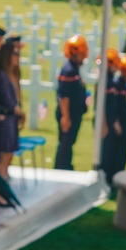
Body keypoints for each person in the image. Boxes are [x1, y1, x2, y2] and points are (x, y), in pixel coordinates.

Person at [0, 41, 24, 201]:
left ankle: (1, 191)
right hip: (5, 121)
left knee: (8, 156)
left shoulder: (13, 75)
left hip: (12, 120)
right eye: (15, 54)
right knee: (4, 157)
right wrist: (19, 112)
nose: (18, 58)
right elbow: (8, 101)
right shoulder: (1, 75)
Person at [101, 53, 126, 185]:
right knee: (111, 154)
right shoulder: (114, 84)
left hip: (123, 123)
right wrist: (115, 122)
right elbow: (112, 106)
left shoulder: (118, 84)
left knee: (120, 153)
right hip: (117, 124)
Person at [54, 35, 89, 170]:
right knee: (65, 143)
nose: (84, 57)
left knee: (69, 143)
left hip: (74, 113)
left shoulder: (74, 70)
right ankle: (62, 167)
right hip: (69, 114)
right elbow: (64, 96)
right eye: (81, 54)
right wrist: (65, 116)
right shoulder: (68, 71)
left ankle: (66, 165)